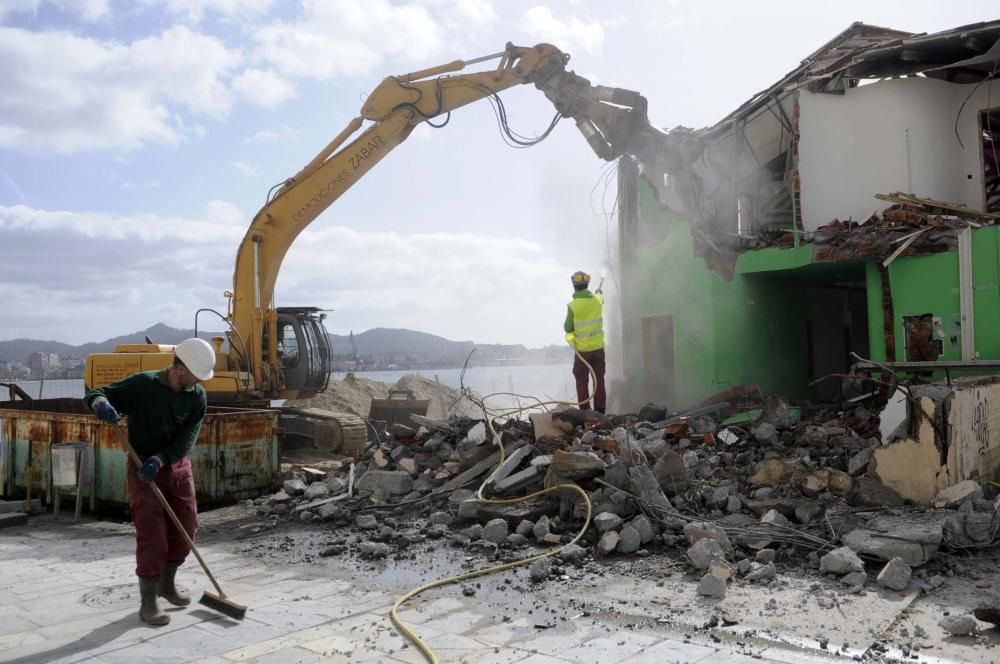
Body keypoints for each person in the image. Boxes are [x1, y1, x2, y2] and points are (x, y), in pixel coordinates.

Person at [84, 337, 215, 626]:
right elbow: (96, 392)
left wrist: (163, 459)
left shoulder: (197, 396)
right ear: (180, 369)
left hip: (176, 466)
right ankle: (148, 601)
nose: (198, 382)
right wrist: (101, 404)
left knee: (187, 527)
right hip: (142, 468)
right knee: (152, 534)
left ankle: (167, 584)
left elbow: (188, 437)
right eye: (195, 376)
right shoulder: (143, 386)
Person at [564, 270, 606, 413]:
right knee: (599, 380)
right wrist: (598, 293)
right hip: (598, 350)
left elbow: (567, 327)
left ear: (574, 286)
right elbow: (600, 297)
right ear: (587, 285)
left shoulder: (573, 305)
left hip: (583, 352)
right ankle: (600, 411)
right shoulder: (597, 300)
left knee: (581, 379)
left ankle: (585, 411)